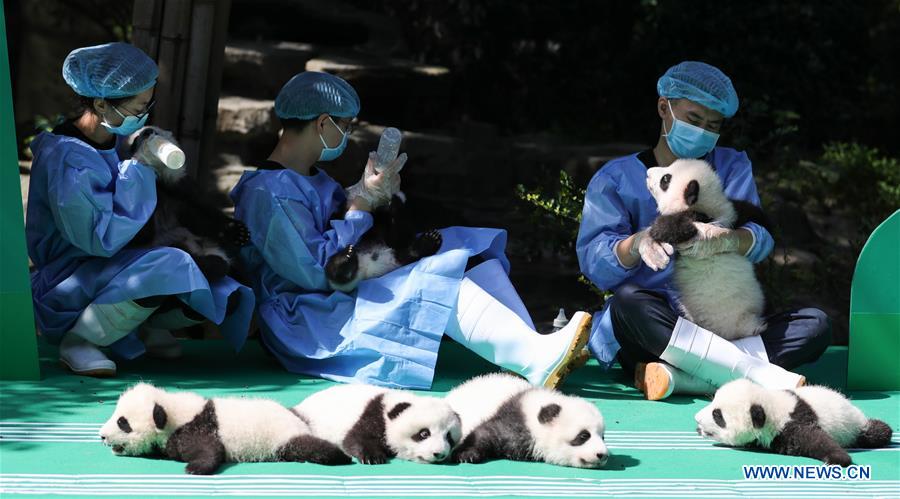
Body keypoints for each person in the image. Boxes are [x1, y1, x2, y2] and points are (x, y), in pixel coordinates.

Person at [231, 71, 592, 390]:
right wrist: (361, 206)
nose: (349, 133)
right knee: (436, 276)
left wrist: (365, 193)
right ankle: (534, 359)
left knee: (461, 249)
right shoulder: (268, 192)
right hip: (308, 318)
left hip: (342, 292)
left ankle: (528, 347)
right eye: (347, 125)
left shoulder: (313, 180)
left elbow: (340, 226)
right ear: (323, 123)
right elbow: (316, 272)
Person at [576, 61, 831, 400]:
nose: (702, 132)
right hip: (659, 324)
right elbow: (596, 263)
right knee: (626, 305)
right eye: (694, 120)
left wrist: (728, 239)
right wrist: (636, 245)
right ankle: (748, 370)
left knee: (815, 324)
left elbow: (761, 235)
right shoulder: (615, 178)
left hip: (724, 320)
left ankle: (680, 377)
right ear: (663, 107)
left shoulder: (732, 165)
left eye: (713, 125)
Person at [27, 42, 254, 377]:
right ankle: (80, 340)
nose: (143, 115)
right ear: (101, 103)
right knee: (172, 263)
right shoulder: (68, 159)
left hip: (109, 266)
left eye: (148, 104)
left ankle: (141, 327)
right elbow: (100, 239)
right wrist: (139, 168)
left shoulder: (111, 142)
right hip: (69, 277)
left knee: (220, 286)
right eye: (137, 107)